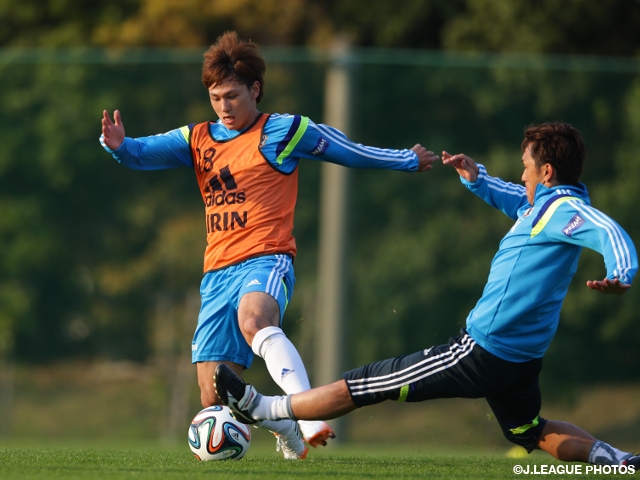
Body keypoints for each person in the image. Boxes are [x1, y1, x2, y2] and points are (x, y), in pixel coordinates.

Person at [214, 121, 639, 468]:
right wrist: (477, 178)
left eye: (527, 165)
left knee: (367, 383)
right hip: (520, 360)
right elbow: (516, 199)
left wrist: (621, 272)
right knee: (528, 431)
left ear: (547, 172)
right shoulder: (541, 207)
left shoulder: (565, 209)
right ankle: (622, 462)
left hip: (481, 352)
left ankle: (263, 407)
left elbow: (607, 231)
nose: (523, 173)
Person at [99, 31, 438, 459]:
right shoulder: (197, 138)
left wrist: (408, 160)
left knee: (255, 318)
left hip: (266, 256)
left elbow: (347, 150)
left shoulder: (283, 131)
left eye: (233, 96)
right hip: (217, 272)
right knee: (212, 400)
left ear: (255, 90)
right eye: (216, 97)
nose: (224, 107)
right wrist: (118, 146)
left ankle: (309, 413)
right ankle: (282, 424)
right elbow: (139, 152)